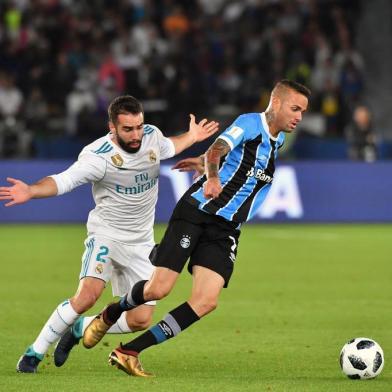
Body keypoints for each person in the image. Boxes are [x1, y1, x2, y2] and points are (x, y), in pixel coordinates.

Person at [82, 80, 311, 377]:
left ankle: (130, 351)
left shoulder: (277, 140)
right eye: (295, 108)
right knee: (158, 289)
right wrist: (211, 175)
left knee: (206, 301)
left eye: (303, 111)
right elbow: (218, 148)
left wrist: (203, 165)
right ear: (276, 104)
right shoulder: (251, 124)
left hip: (226, 229)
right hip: (198, 213)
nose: (299, 117)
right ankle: (112, 312)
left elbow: (236, 161)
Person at [0, 95, 218, 373]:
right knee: (87, 295)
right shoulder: (98, 156)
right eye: (128, 129)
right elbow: (64, 180)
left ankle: (81, 327)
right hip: (106, 235)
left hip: (141, 242)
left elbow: (170, 146)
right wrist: (31, 190)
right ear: (112, 128)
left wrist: (192, 135)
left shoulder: (151, 137)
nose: (136, 134)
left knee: (141, 318)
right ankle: (34, 353)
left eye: (139, 126)